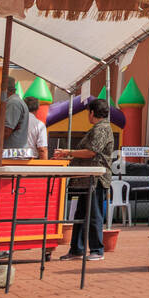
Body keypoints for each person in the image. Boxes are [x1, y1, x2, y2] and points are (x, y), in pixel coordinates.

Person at [54, 98, 114, 261]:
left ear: (92, 112)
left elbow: (91, 151)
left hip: (95, 178)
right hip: (86, 178)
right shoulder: (99, 128)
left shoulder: (101, 129)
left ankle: (96, 249)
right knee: (81, 213)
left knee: (94, 214)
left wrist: (69, 152)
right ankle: (77, 248)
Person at [0, 76, 29, 151]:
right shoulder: (12, 102)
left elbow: (5, 132)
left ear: (4, 89)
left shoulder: (13, 103)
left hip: (12, 153)